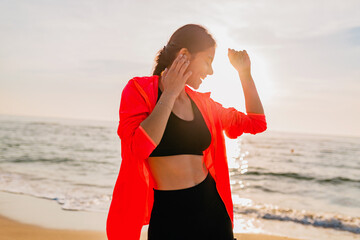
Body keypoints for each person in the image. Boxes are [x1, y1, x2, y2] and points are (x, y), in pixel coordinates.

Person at [106, 24, 267, 240]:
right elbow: (139, 147)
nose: (210, 71)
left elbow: (256, 123)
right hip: (169, 217)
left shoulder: (204, 105)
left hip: (212, 212)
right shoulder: (139, 91)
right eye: (208, 61)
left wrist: (245, 74)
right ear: (184, 54)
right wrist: (170, 92)